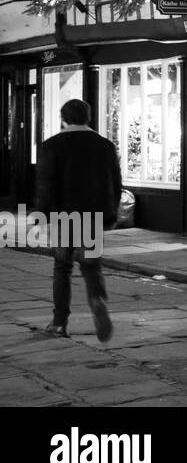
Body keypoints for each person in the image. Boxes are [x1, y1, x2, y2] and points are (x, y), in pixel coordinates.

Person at [33, 99, 121, 342]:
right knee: (91, 266)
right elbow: (115, 182)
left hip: (63, 216)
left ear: (63, 118)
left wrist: (40, 212)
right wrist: (111, 215)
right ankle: (97, 301)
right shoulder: (105, 146)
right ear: (88, 117)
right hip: (92, 217)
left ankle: (59, 322)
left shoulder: (51, 145)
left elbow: (45, 184)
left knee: (62, 267)